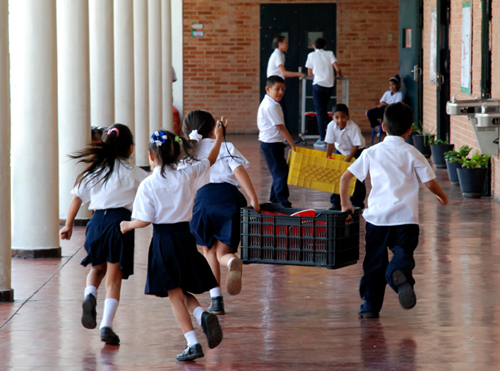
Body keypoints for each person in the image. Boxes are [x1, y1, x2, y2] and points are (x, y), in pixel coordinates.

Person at [120, 125, 226, 362]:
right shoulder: (187, 174)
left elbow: (144, 220)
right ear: (177, 153)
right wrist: (218, 138)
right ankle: (201, 314)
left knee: (174, 293)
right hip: (186, 237)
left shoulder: (148, 184)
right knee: (180, 290)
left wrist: (127, 225)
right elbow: (210, 160)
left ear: (151, 156)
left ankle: (192, 342)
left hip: (163, 240)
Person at [339, 102, 448, 319]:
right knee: (403, 252)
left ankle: (370, 306)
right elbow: (429, 183)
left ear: (384, 127)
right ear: (409, 130)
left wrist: (345, 204)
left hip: (377, 219)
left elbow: (345, 178)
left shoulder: (372, 152)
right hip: (406, 219)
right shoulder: (413, 153)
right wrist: (442, 196)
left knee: (374, 262)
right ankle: (397, 271)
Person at [59, 124, 149, 345]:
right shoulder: (134, 172)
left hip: (96, 223)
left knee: (97, 269)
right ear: (130, 149)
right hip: (120, 225)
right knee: (114, 278)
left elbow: (77, 199)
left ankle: (89, 294)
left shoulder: (94, 171)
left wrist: (68, 225)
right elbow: (152, 187)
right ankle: (106, 326)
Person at [181, 110, 261, 315]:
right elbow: (239, 170)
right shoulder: (225, 146)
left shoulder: (188, 152)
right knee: (223, 251)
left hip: (204, 200)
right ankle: (232, 261)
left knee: (208, 250)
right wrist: (253, 198)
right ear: (213, 128)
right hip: (230, 199)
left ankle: (216, 300)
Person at [258, 75, 296, 208]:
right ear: (268, 89)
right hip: (271, 144)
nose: (280, 92)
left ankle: (275, 199)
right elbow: (280, 127)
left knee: (279, 171)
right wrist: (292, 143)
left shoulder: (271, 102)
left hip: (274, 143)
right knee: (280, 173)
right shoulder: (271, 106)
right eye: (277, 89)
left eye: (283, 89)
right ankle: (282, 201)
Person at [325, 104, 366, 210]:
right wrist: (328, 158)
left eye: (343, 117)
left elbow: (356, 145)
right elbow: (330, 143)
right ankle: (335, 202)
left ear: (348, 117)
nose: (340, 120)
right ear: (332, 118)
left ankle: (357, 202)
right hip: (341, 151)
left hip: (357, 151)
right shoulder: (330, 126)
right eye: (336, 117)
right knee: (337, 175)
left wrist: (347, 160)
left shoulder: (353, 127)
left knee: (357, 176)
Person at [305, 37, 343, 148]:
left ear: (313, 46)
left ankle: (323, 138)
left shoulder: (311, 55)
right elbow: (337, 68)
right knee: (324, 110)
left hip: (318, 85)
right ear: (325, 46)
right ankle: (330, 135)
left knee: (320, 112)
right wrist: (340, 75)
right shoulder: (330, 53)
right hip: (329, 85)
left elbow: (310, 73)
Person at [267, 35, 306, 128]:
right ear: (280, 44)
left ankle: (284, 136)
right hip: (274, 86)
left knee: (282, 110)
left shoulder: (281, 55)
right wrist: (299, 74)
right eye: (285, 43)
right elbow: (284, 73)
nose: (287, 45)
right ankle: (283, 136)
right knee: (281, 111)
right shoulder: (277, 55)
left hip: (277, 85)